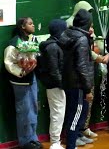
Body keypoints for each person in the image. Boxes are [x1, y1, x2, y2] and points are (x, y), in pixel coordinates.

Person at [4, 17, 42, 149]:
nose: (34, 26)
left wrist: (34, 63)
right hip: (20, 82)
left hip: (32, 79)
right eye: (30, 24)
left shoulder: (34, 40)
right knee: (24, 111)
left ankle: (33, 138)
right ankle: (25, 141)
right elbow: (9, 63)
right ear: (22, 27)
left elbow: (37, 56)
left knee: (34, 109)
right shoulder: (14, 43)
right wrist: (21, 71)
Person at [59, 9, 94, 149]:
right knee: (75, 117)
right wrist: (87, 89)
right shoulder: (81, 39)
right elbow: (81, 66)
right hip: (78, 84)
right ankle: (71, 145)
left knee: (70, 114)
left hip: (67, 81)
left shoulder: (66, 34)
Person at [38, 19, 67, 149]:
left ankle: (56, 141)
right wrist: (62, 84)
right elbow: (54, 70)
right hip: (55, 85)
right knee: (57, 114)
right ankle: (55, 142)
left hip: (54, 84)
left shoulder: (53, 44)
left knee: (58, 113)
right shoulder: (53, 47)